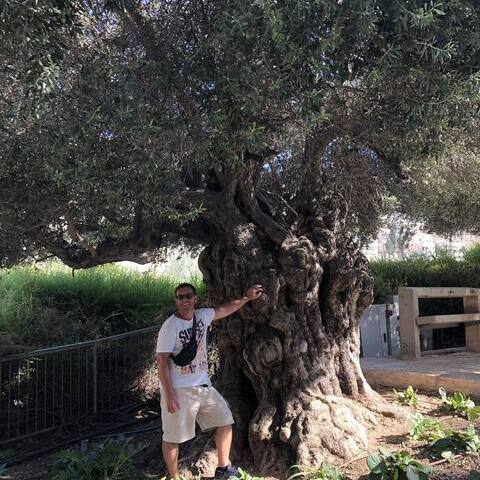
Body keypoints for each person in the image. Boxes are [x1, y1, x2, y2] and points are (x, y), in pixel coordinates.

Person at [156, 282, 263, 480]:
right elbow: (161, 361)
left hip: (204, 386)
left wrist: (247, 298)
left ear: (195, 299)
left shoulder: (202, 316)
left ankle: (223, 469)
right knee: (172, 437)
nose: (185, 300)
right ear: (176, 301)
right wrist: (170, 395)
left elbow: (224, 309)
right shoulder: (170, 326)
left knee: (225, 420)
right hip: (179, 389)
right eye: (180, 297)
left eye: (188, 296)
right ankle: (174, 477)